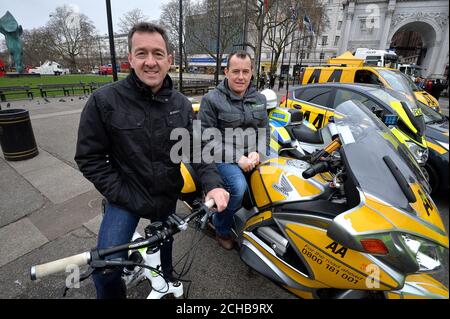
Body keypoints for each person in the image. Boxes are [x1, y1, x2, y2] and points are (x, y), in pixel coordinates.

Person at [74, 22, 229, 299]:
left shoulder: (181, 104)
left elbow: (197, 150)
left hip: (166, 196)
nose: (150, 62)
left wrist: (214, 185)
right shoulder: (104, 101)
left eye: (158, 54)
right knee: (105, 271)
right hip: (125, 198)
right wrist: (123, 194)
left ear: (169, 60)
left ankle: (166, 276)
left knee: (165, 250)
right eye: (141, 53)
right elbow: (90, 158)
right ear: (130, 58)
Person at [198, 50, 270, 250]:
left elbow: (264, 130)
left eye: (245, 71)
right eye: (235, 71)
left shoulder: (259, 99)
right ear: (226, 72)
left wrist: (258, 151)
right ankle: (221, 228)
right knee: (238, 189)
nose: (241, 77)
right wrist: (238, 158)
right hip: (222, 156)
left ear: (252, 72)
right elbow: (207, 138)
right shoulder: (211, 100)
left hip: (252, 155)